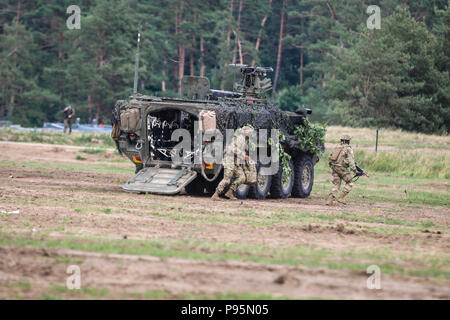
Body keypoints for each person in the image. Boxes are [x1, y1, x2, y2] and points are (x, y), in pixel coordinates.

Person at [211, 126, 257, 200]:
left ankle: (230, 192)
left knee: (242, 177)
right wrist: (243, 155)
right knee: (227, 180)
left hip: (236, 162)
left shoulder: (244, 141)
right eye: (250, 133)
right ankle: (216, 195)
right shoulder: (240, 138)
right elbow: (232, 149)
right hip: (229, 160)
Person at [326, 134, 357, 205]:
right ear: (348, 141)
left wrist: (333, 167)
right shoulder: (348, 149)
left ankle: (329, 200)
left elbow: (329, 157)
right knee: (350, 182)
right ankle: (341, 198)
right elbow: (351, 161)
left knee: (336, 184)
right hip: (342, 168)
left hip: (334, 167)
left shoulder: (337, 147)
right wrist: (355, 170)